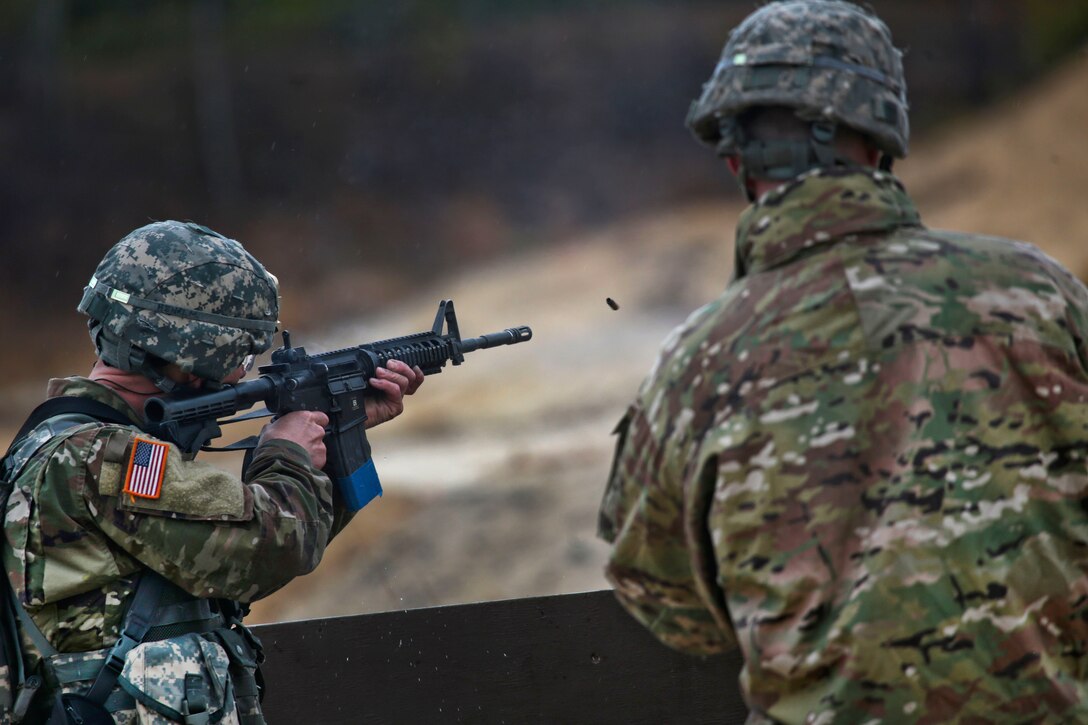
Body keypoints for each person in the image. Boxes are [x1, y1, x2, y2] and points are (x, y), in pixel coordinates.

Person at [597, 1, 1088, 721]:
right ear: (883, 135)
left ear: (734, 156)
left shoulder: (696, 363)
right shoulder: (1041, 292)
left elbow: (672, 609)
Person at [1, 220, 423, 723]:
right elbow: (271, 547)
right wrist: (284, 453)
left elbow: (234, 563)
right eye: (239, 354)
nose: (243, 373)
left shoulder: (71, 446)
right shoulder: (103, 457)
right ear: (187, 354)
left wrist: (337, 431)